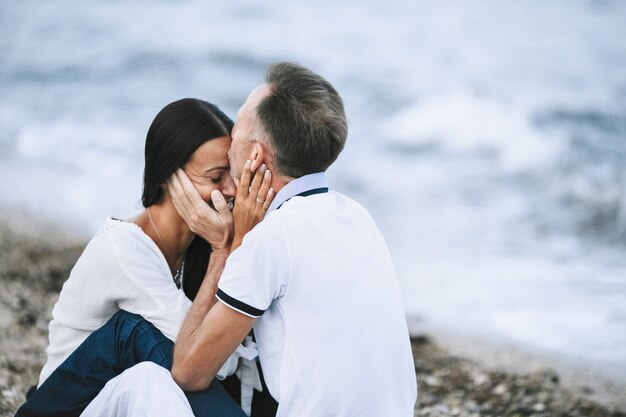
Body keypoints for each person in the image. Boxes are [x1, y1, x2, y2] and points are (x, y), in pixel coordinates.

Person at [84, 62, 418, 416]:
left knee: (132, 338)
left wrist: (226, 247)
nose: (230, 139)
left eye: (238, 124)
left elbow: (188, 372)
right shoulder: (357, 215)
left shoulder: (274, 237)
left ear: (255, 155)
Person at [16, 98, 275, 417]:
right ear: (170, 178)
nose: (233, 189)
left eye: (234, 174)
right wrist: (226, 250)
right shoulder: (124, 249)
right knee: (149, 370)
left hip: (129, 399)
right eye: (215, 177)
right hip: (72, 404)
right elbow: (206, 362)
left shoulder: (198, 245)